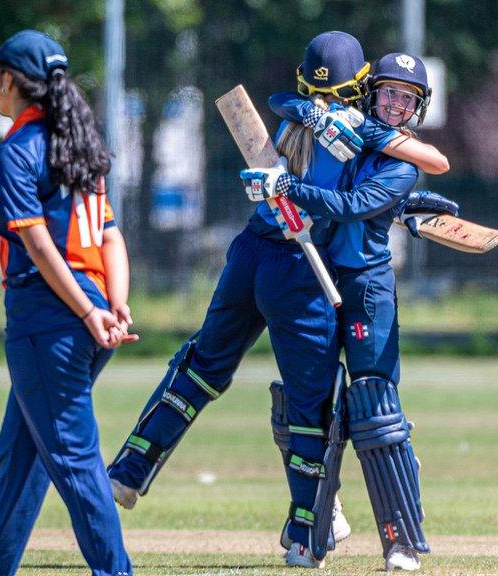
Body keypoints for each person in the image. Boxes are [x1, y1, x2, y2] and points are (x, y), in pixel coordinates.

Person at [105, 31, 404, 569]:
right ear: (359, 86)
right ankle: (299, 526)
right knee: (258, 386)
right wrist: (330, 124)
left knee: (253, 384)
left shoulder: (332, 126)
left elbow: (404, 161)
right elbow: (289, 110)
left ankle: (137, 472)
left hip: (276, 257)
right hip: (280, 259)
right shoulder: (330, 124)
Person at [244, 52, 454, 571]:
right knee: (303, 404)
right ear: (369, 93)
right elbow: (282, 100)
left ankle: (402, 540)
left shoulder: (401, 161)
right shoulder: (348, 130)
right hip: (316, 277)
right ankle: (314, 527)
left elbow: (352, 205)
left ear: (417, 108)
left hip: (366, 287)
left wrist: (287, 187)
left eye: (406, 99)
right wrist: (316, 114)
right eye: (386, 93)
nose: (394, 104)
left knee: (374, 410)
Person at [0, 30, 137, 576]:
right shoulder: (79, 147)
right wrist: (115, 304)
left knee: (74, 463)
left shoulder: (19, 149)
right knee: (17, 461)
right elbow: (110, 237)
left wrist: (92, 313)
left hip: (50, 325)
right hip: (86, 319)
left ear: (9, 81)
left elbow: (39, 245)